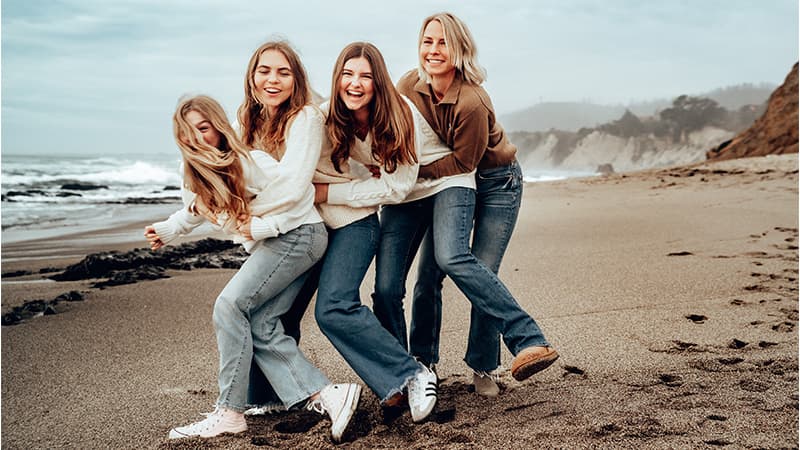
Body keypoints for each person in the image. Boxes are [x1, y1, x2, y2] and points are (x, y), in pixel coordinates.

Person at [148, 44, 361, 444]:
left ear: (219, 126)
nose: (200, 137)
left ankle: (229, 411)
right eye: (190, 132)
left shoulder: (248, 160)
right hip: (290, 240)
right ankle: (328, 396)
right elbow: (198, 208)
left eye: (205, 127)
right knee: (262, 323)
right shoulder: (199, 171)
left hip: (299, 236)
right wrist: (170, 229)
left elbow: (295, 192)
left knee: (229, 306)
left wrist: (261, 227)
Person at [372, 12, 559, 394]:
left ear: (459, 50)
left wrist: (413, 171)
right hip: (446, 184)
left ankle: (485, 364)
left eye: (443, 43)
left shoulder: (471, 100)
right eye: (428, 41)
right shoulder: (410, 83)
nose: (434, 50)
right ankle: (423, 360)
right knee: (428, 277)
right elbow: (387, 122)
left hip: (495, 183)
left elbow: (463, 162)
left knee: (478, 271)